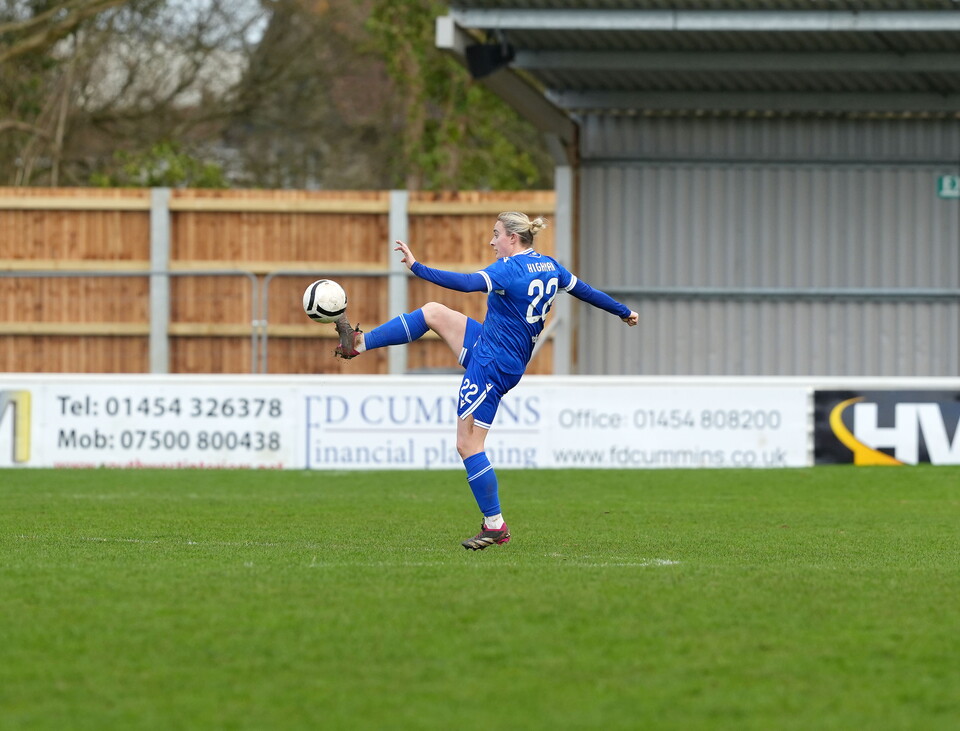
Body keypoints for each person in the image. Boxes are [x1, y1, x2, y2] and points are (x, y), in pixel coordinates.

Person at [332, 212, 638, 551]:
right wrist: (624, 311)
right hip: (496, 348)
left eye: (496, 235)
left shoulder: (509, 269)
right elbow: (587, 291)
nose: (492, 242)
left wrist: (417, 267)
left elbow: (465, 284)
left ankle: (495, 525)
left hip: (492, 363)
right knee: (433, 312)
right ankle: (360, 344)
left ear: (513, 238)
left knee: (468, 444)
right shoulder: (550, 266)